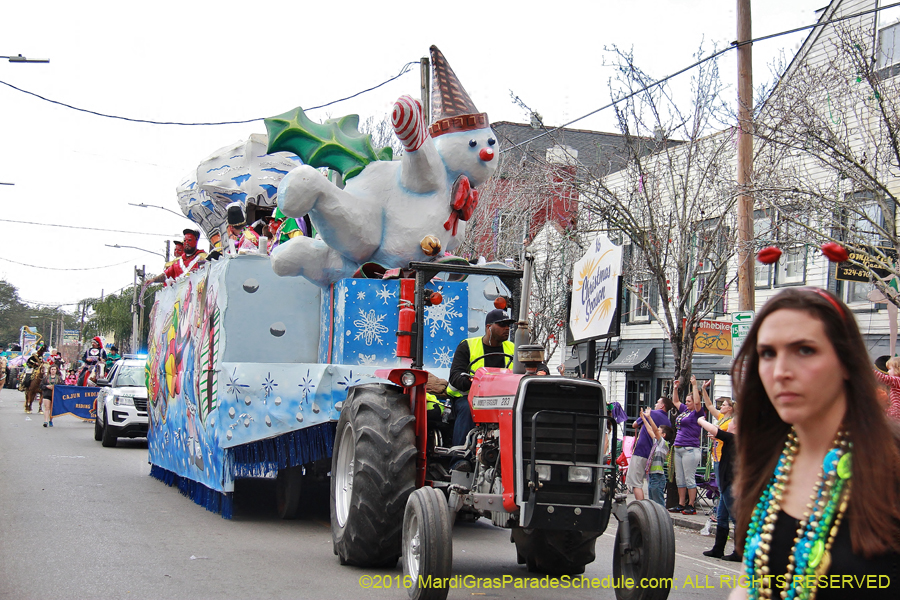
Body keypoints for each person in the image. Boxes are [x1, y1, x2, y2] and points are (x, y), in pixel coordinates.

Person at [729, 287, 900, 600]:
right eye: (768, 353)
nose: (780, 372)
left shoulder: (892, 465)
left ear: (847, 362)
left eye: (805, 350)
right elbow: (748, 582)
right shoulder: (766, 463)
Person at [446, 308, 516, 470]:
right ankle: (459, 462)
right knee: (466, 410)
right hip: (471, 398)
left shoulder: (513, 348)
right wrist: (474, 382)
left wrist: (541, 369)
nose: (507, 328)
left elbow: (533, 362)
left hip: (505, 401)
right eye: (502, 325)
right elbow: (455, 376)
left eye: (509, 325)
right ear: (488, 327)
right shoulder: (467, 346)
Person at [698, 413, 740, 561]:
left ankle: (739, 552)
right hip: (725, 483)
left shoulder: (734, 438)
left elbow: (715, 430)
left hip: (731, 483)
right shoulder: (731, 439)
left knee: (736, 518)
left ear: (735, 426)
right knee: (722, 517)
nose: (727, 424)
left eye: (730, 422)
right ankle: (718, 549)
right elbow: (718, 433)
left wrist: (700, 420)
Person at [669, 374, 706, 515]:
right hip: (678, 447)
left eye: (689, 401)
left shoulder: (698, 413)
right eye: (687, 401)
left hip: (690, 448)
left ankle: (691, 504)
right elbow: (676, 402)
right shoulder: (685, 411)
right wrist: (675, 388)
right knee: (680, 477)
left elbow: (697, 403)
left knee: (689, 477)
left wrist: (695, 385)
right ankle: (681, 503)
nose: (687, 403)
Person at [627, 395, 674, 501]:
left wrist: (644, 418)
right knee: (652, 486)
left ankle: (642, 507)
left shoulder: (652, 413)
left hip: (641, 451)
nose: (655, 404)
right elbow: (653, 431)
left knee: (636, 482)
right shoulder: (668, 422)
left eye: (657, 402)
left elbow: (634, 425)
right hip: (653, 456)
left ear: (662, 406)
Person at [639, 407, 675, 507]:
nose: (656, 432)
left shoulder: (663, 443)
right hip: (652, 475)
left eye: (659, 431)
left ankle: (663, 518)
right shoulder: (657, 443)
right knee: (652, 501)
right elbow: (650, 430)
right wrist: (644, 419)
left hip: (658, 476)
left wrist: (649, 418)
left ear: (663, 435)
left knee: (658, 502)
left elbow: (654, 429)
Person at [872, 356, 900, 421]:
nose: (888, 372)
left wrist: (868, 371)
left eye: (889, 369)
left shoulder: (897, 380)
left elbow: (883, 378)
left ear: (897, 369)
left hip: (897, 411)